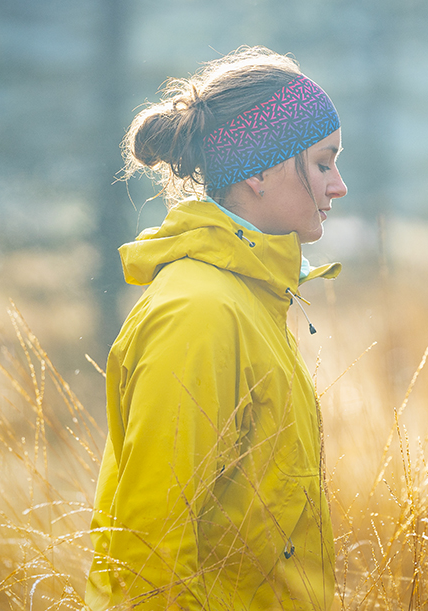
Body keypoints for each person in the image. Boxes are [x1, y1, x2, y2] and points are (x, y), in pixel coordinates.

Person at [86, 46, 348, 610]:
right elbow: (148, 551)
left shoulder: (250, 300)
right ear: (257, 170)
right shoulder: (200, 314)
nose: (338, 186)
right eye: (324, 163)